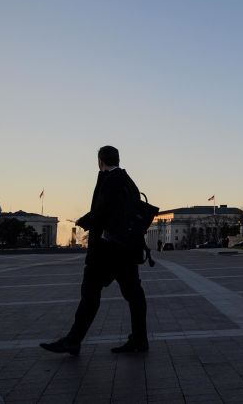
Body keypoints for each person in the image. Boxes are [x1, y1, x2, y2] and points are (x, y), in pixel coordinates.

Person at [40, 146, 149, 356]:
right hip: (125, 250)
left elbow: (103, 211)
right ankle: (139, 338)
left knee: (90, 294)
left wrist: (84, 221)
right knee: (134, 293)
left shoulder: (110, 180)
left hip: (107, 252)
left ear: (100, 161)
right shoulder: (127, 180)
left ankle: (73, 341)